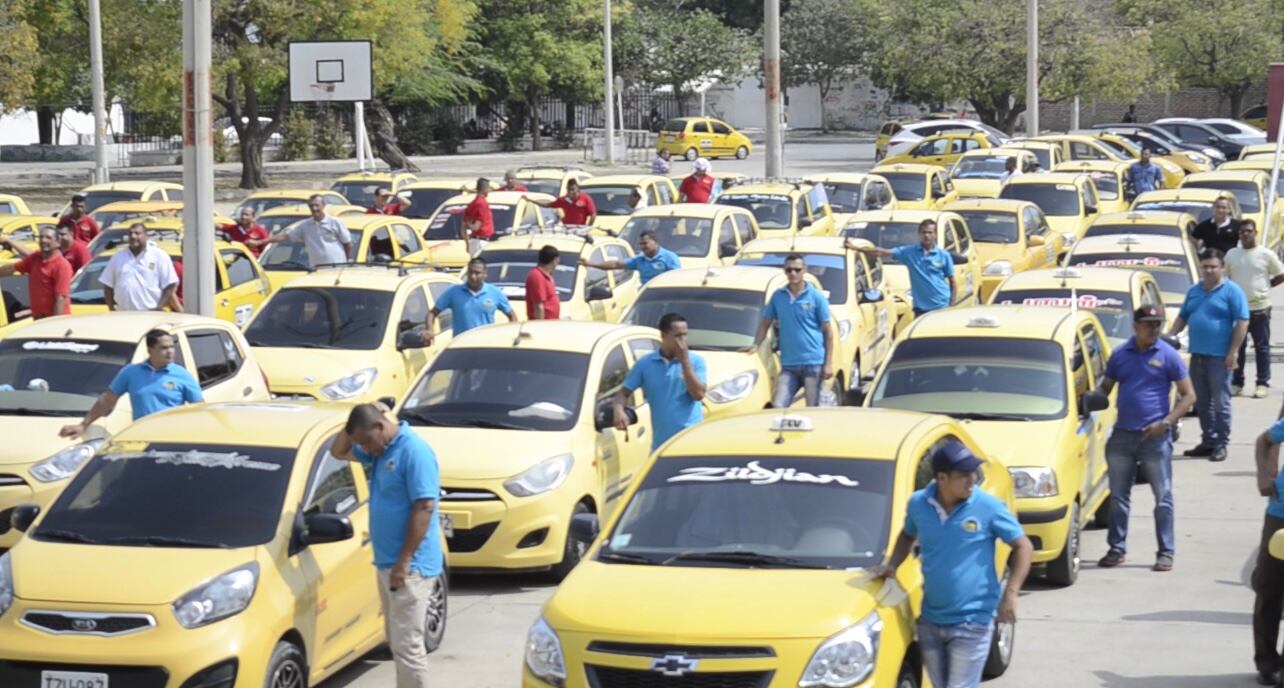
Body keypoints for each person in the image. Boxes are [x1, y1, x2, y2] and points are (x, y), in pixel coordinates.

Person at [874, 439, 1034, 688]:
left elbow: (1023, 546)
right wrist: (892, 565)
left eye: (973, 472)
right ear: (942, 478)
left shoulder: (988, 507)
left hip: (973, 620)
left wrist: (1011, 593)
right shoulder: (919, 504)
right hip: (931, 619)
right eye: (963, 475)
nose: (972, 479)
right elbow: (907, 534)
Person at [331, 403, 440, 688]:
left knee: (407, 647)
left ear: (381, 427)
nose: (366, 448)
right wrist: (352, 426)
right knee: (397, 641)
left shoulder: (413, 452)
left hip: (410, 567)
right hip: (389, 563)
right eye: (361, 443)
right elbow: (338, 451)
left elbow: (425, 507)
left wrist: (404, 561)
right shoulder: (380, 451)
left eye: (367, 440)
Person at [1095, 306, 1196, 572]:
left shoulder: (1168, 355)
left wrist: (1166, 423)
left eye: (1157, 324)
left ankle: (1166, 552)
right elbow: (1105, 389)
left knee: (1162, 497)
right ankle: (1116, 549)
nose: (1153, 329)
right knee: (1118, 497)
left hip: (1155, 439)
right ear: (1135, 326)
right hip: (1122, 436)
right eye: (1148, 324)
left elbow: (1188, 396)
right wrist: (1087, 401)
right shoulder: (1120, 355)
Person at [1168, 248, 1250, 462]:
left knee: (1221, 403)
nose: (1210, 270)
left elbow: (1242, 322)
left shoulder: (1232, 291)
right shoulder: (1194, 291)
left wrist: (1232, 353)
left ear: (1222, 268)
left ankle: (1221, 444)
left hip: (1220, 357)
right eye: (1205, 266)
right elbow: (1183, 316)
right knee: (1202, 402)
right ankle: (1208, 441)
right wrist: (1168, 338)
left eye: (1214, 266)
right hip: (1197, 356)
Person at [58, 329, 203, 437]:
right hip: (141, 438)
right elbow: (107, 400)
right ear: (150, 350)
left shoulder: (182, 374)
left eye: (172, 347)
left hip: (173, 440)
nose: (170, 352)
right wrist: (84, 425)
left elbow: (200, 409)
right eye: (164, 348)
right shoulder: (131, 372)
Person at [743, 254, 834, 407]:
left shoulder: (816, 297)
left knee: (813, 408)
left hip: (813, 362)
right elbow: (765, 322)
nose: (793, 273)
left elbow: (828, 332)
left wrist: (828, 363)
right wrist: (756, 344)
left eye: (797, 270)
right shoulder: (778, 296)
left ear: (804, 270)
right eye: (789, 270)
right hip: (789, 364)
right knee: (778, 405)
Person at [614, 312, 707, 449]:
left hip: (691, 441)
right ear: (663, 336)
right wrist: (618, 410)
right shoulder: (646, 364)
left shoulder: (696, 362)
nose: (682, 341)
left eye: (684, 335)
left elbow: (698, 394)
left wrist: (684, 361)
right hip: (662, 444)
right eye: (677, 336)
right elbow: (623, 393)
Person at [847, 219, 956, 316]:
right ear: (919, 234)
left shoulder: (943, 255)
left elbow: (953, 281)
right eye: (924, 232)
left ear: (935, 234)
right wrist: (857, 248)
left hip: (941, 306)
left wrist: (952, 304)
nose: (927, 235)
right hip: (921, 309)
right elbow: (882, 252)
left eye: (930, 232)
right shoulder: (909, 252)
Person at [1226, 219, 1284, 398]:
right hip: (1238, 310)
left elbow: (1281, 274)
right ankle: (1237, 382)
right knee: (1238, 347)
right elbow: (1225, 278)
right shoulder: (1232, 254)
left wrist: (1266, 286)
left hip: (1260, 308)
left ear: (1255, 232)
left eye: (1249, 231)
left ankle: (1262, 383)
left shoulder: (1265, 254)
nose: (1245, 235)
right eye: (1242, 232)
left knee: (1262, 347)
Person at [1253, 414, 1284, 686]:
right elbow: (1264, 441)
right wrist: (1265, 476)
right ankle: (1266, 662)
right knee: (1269, 590)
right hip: (1279, 515)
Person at [423, 257, 514, 343]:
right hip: (461, 347)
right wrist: (429, 330)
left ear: (485, 274)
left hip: (486, 346)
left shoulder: (494, 292)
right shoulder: (453, 292)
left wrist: (511, 336)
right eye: (470, 272)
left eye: (477, 273)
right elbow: (432, 313)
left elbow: (512, 316)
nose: (473, 276)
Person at [249, 194, 352, 267]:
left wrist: (347, 262)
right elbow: (284, 236)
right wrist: (259, 242)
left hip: (337, 268)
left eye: (317, 205)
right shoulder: (305, 226)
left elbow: (347, 244)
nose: (314, 208)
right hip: (318, 269)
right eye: (311, 206)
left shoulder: (335, 222)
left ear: (323, 206)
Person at [99, 222, 181, 312]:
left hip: (150, 313)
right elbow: (107, 285)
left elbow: (170, 284)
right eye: (130, 234)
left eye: (137, 233)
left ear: (146, 236)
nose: (133, 236)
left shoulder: (159, 256)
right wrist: (111, 308)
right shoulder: (118, 257)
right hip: (123, 314)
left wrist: (159, 307)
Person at [0, 226, 71, 319]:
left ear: (58, 243)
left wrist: (54, 325)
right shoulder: (35, 258)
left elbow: (61, 299)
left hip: (52, 320)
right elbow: (13, 268)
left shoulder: (62, 265)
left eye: (48, 238)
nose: (43, 240)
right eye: (41, 237)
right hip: (37, 319)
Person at [580, 229, 680, 285]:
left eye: (645, 243)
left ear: (656, 242)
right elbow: (615, 264)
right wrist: (591, 263)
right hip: (646, 295)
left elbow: (676, 280)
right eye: (641, 244)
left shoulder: (670, 258)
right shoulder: (639, 260)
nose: (643, 247)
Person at [1, 223, 89, 274]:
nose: (61, 237)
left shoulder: (79, 250)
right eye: (41, 237)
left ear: (71, 234)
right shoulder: (45, 255)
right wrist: (10, 241)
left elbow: (86, 273)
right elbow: (29, 255)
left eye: (63, 235)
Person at [529, 179, 597, 227]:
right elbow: (547, 205)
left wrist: (587, 227)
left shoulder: (585, 198)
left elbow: (593, 214)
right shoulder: (563, 199)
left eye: (573, 189)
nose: (571, 192)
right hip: (567, 228)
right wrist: (532, 200)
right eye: (568, 189)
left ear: (578, 189)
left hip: (580, 228)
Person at [525, 244, 561, 320]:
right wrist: (540, 327)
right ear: (554, 260)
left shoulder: (547, 275)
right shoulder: (537, 276)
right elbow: (538, 306)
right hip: (543, 325)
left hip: (552, 323)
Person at [464, 177, 495, 255]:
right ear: (485, 189)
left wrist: (467, 244)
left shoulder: (473, 203)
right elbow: (477, 226)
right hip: (481, 242)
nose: (489, 190)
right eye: (488, 188)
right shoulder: (481, 204)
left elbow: (463, 225)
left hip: (475, 241)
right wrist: (471, 226)